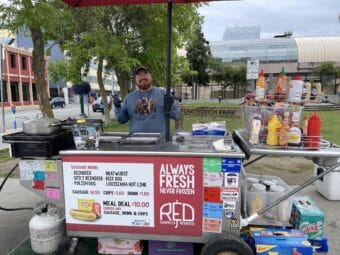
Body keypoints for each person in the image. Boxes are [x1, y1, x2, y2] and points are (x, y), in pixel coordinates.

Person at [113, 66, 180, 135]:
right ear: (135, 79)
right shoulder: (129, 98)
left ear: (151, 76)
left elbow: (175, 115)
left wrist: (171, 103)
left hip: (160, 141)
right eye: (139, 75)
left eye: (145, 74)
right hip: (135, 141)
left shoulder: (164, 94)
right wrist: (118, 107)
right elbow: (122, 120)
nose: (142, 77)